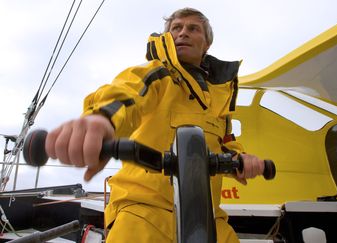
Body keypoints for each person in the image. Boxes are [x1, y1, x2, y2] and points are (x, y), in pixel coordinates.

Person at [45, 7, 265, 242]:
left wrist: (240, 159)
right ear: (168, 37)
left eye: (193, 29)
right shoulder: (157, 75)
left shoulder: (220, 98)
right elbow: (127, 93)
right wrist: (102, 119)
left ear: (207, 43)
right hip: (143, 211)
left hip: (208, 217)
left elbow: (225, 143)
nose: (183, 33)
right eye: (176, 28)